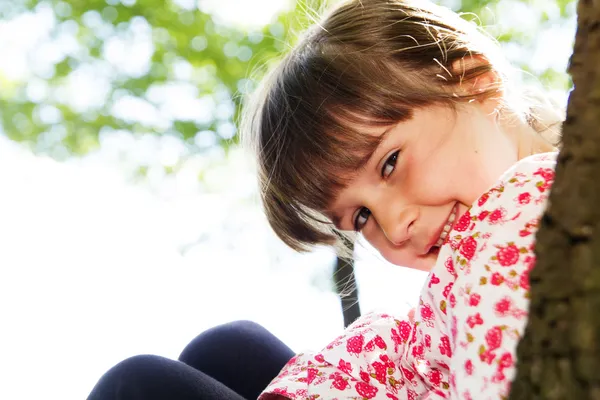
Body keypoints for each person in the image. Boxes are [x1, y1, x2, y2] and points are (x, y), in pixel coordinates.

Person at [89, 0, 564, 398]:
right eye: (360, 217)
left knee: (136, 384)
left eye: (390, 162)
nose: (394, 226)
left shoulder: (533, 197)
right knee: (227, 347)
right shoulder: (477, 251)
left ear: (473, 82)